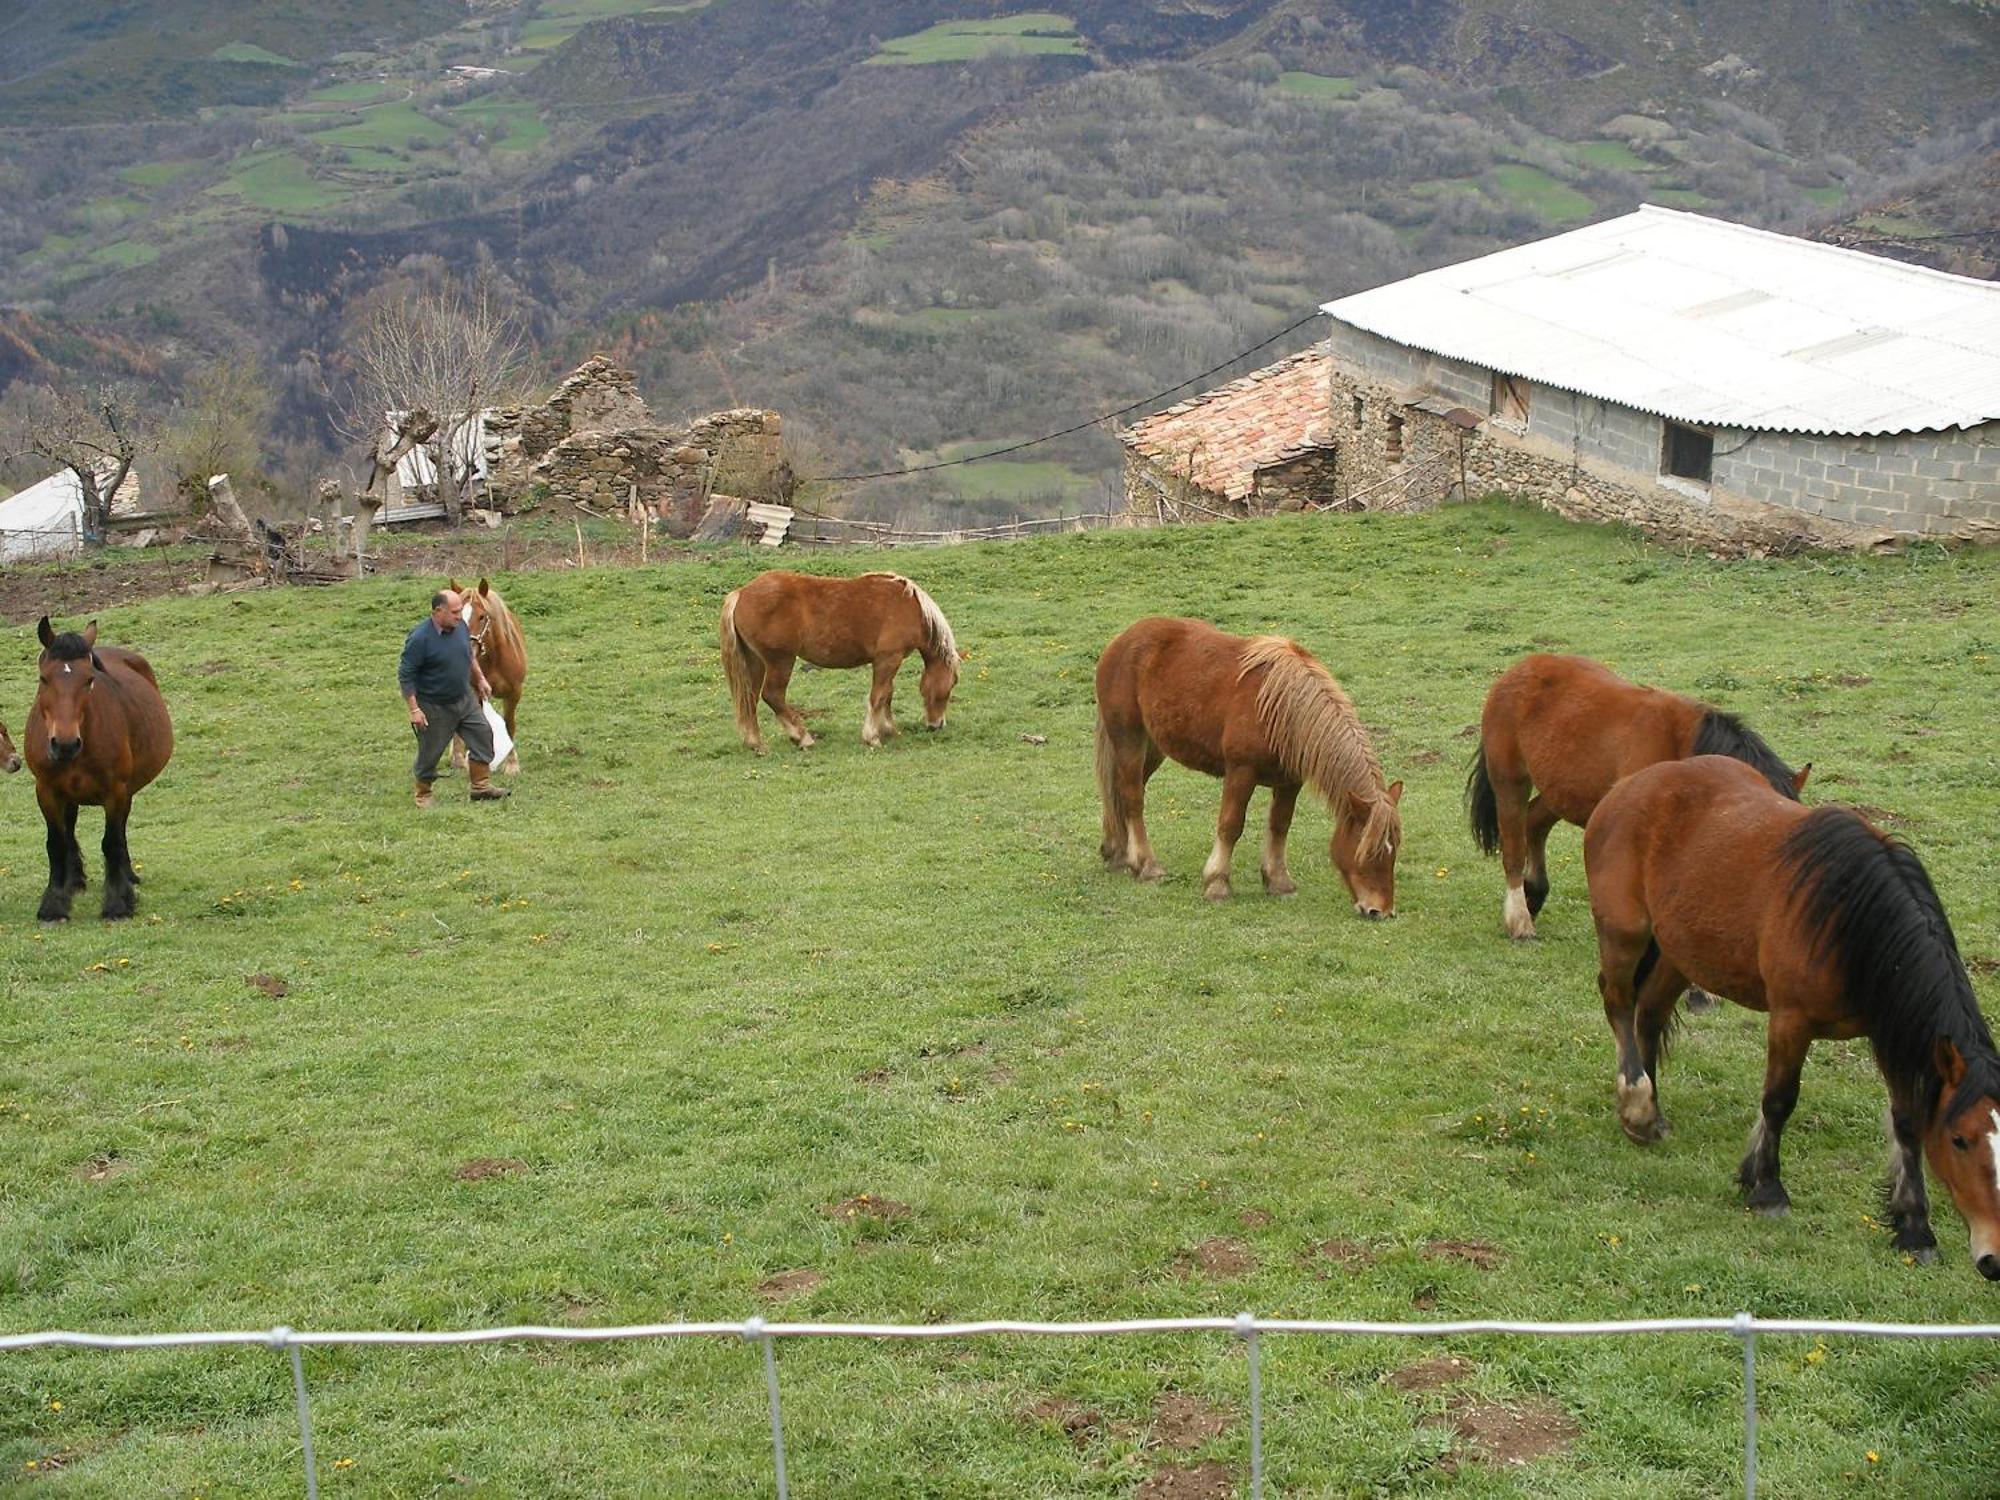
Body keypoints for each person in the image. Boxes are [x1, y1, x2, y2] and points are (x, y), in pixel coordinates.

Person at [399, 587, 510, 807]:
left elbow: (467, 655)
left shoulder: (460, 628)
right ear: (438, 612)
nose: (460, 616)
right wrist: (414, 709)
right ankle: (423, 793)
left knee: (483, 735)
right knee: (431, 751)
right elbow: (406, 675)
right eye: (455, 612)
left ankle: (480, 786)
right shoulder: (420, 638)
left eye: (460, 611)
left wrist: (479, 679)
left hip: (464, 698)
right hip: (434, 704)